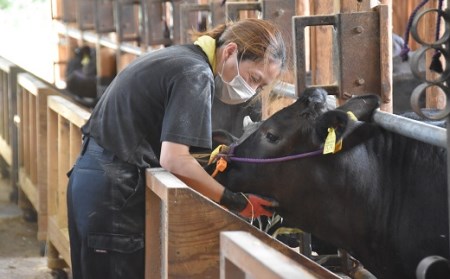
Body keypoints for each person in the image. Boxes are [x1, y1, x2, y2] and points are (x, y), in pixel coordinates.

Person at [66, 18, 287, 279]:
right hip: (114, 195)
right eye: (254, 78)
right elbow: (175, 159)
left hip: (92, 180)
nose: (252, 91)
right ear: (230, 51)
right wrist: (236, 201)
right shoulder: (195, 73)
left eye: (260, 87)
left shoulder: (179, 57)